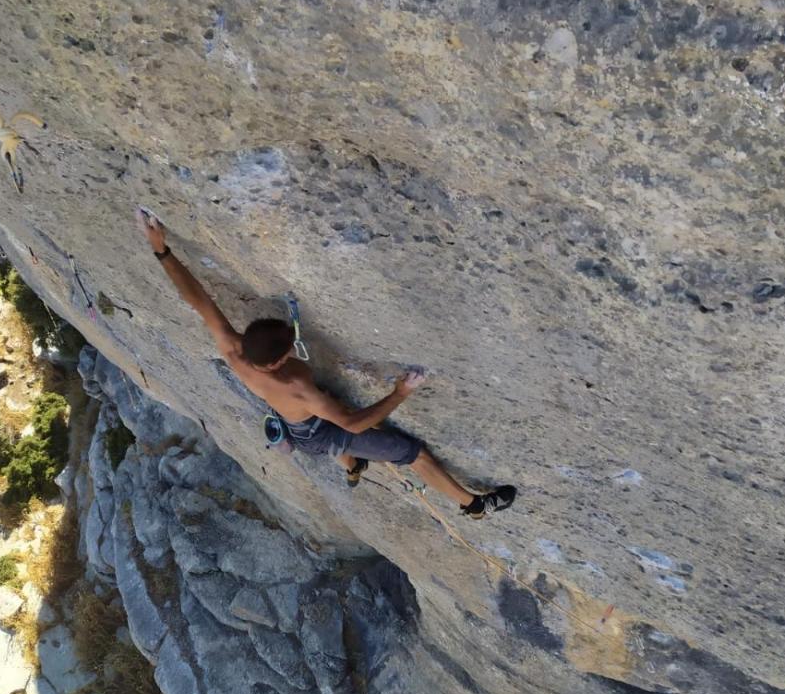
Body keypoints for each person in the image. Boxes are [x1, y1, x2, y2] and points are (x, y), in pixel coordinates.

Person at [138, 210, 516, 519]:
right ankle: (474, 504)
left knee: (327, 435)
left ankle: (352, 466)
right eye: (289, 349)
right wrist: (400, 392)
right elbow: (352, 423)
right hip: (321, 429)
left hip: (299, 427)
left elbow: (198, 300)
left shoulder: (234, 349)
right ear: (279, 361)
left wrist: (162, 251)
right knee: (412, 454)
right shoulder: (298, 388)